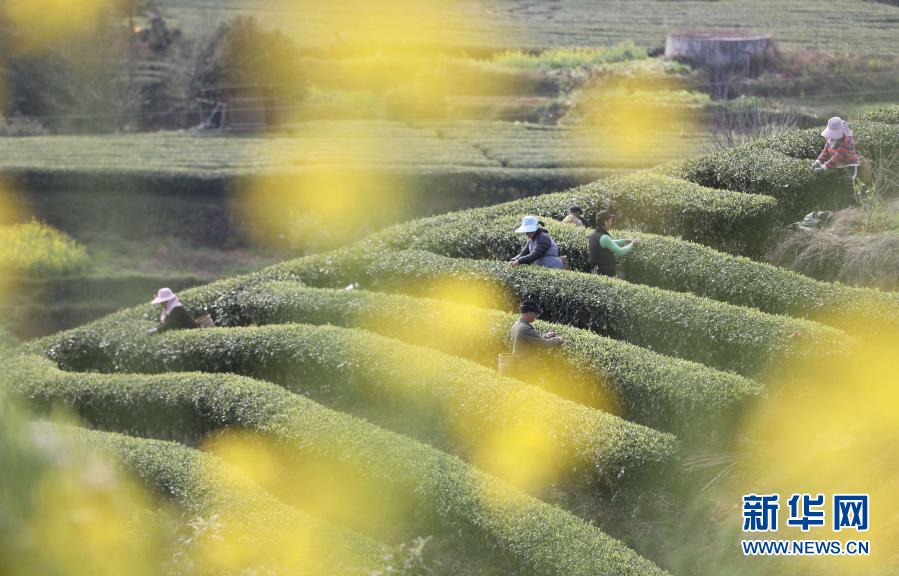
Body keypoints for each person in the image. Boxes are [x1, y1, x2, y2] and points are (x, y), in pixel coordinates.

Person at [813, 116, 860, 201]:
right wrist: (818, 162)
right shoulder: (830, 139)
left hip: (850, 165)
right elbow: (825, 151)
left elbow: (837, 157)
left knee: (849, 183)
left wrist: (823, 168)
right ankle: (845, 203)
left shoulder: (847, 140)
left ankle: (853, 203)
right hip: (839, 165)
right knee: (840, 185)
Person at [588, 210, 639, 277]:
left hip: (595, 270)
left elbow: (610, 242)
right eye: (610, 221)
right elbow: (621, 252)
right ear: (605, 222)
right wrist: (632, 243)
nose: (611, 223)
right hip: (605, 272)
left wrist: (626, 240)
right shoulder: (604, 237)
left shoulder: (593, 235)